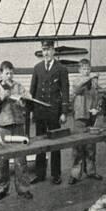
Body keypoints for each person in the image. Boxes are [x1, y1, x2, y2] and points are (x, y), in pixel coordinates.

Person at [0, 61, 33, 200]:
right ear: (1, 73)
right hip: (4, 126)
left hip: (19, 124)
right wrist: (1, 98)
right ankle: (1, 188)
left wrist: (23, 102)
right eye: (6, 73)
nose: (9, 75)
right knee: (2, 159)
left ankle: (23, 188)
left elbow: (28, 98)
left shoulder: (18, 86)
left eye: (11, 72)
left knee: (21, 158)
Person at [29, 39, 70, 185]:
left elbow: (65, 92)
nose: (46, 53)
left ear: (53, 51)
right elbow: (32, 92)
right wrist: (31, 111)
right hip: (40, 111)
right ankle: (40, 174)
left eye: (48, 49)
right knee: (40, 143)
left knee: (55, 143)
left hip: (54, 111)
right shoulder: (37, 68)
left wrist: (64, 112)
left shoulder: (61, 69)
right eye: (44, 50)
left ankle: (56, 174)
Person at [69, 58, 102, 185]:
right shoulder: (77, 80)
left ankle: (91, 171)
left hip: (91, 116)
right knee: (78, 147)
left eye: (88, 69)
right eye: (83, 69)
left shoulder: (93, 82)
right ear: (79, 70)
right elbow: (77, 88)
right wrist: (91, 77)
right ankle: (75, 174)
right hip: (80, 116)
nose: (86, 71)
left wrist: (97, 109)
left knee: (91, 146)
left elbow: (98, 96)